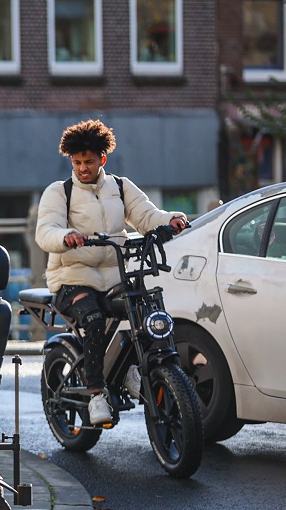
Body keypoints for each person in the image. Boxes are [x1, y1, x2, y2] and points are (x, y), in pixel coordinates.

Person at [35, 119, 187, 426]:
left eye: (88, 162)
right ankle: (96, 394)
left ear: (102, 159)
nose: (82, 168)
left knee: (142, 309)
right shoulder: (59, 192)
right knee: (92, 318)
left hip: (114, 276)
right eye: (76, 162)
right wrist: (65, 237)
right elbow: (45, 231)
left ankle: (135, 369)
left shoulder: (120, 186)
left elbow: (146, 216)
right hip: (71, 279)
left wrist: (171, 220)